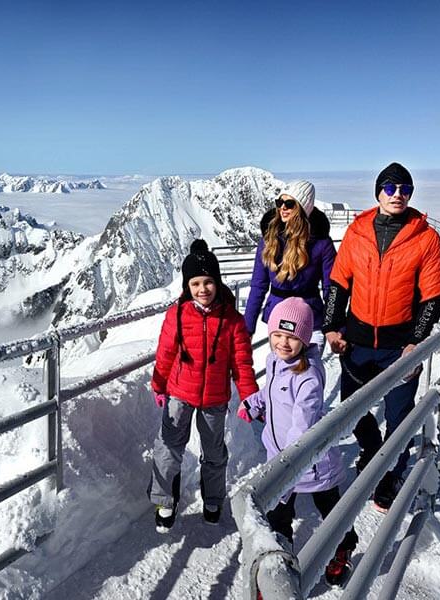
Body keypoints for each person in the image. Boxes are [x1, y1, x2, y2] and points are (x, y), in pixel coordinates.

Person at [321, 162, 440, 511]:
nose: (397, 195)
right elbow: (338, 283)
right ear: (378, 191)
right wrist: (332, 326)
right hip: (358, 341)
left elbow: (433, 296)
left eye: (405, 189)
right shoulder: (358, 232)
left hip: (399, 346)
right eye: (390, 188)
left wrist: (415, 342)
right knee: (353, 408)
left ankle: (392, 472)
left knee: (399, 413)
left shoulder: (426, 238)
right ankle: (372, 450)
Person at [237, 297, 358, 585]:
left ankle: (343, 547)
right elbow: (270, 392)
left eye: (291, 337)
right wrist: (255, 403)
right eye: (277, 335)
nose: (282, 343)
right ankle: (281, 570)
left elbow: (302, 424)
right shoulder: (275, 360)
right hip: (283, 459)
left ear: (304, 339)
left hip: (311, 463)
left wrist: (287, 462)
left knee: (330, 511)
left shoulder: (308, 376)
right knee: (279, 517)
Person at [149, 239, 258, 531]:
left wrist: (248, 395)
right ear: (187, 285)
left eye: (208, 282)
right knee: (169, 447)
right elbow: (166, 353)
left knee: (214, 451)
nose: (202, 289)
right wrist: (158, 384)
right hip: (179, 392)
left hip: (215, 397)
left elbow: (242, 363)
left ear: (217, 282)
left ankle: (213, 498)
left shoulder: (232, 320)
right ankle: (164, 500)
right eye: (195, 283)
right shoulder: (178, 315)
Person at [245, 180, 336, 346]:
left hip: (311, 321)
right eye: (280, 202)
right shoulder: (268, 240)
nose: (283, 208)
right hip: (278, 322)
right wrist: (247, 329)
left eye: (289, 203)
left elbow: (331, 288)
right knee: (282, 370)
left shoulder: (321, 243)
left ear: (303, 208)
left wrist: (333, 326)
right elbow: (258, 286)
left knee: (309, 370)